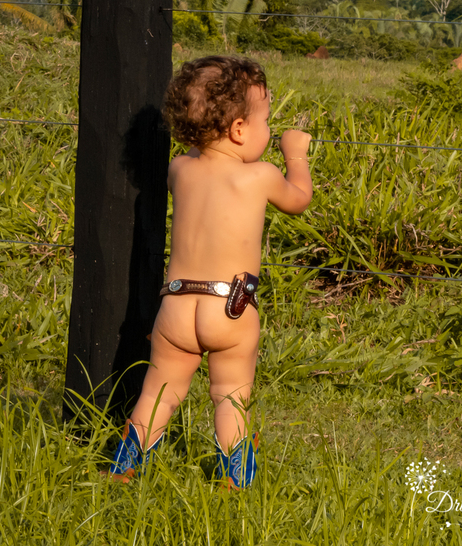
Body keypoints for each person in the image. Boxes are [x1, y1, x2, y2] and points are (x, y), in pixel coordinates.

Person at [108, 55, 313, 489]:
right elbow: (298, 200)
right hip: (231, 307)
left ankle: (124, 468)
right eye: (265, 119)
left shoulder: (179, 170)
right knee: (230, 397)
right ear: (240, 130)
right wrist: (295, 156)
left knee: (157, 394)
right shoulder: (259, 176)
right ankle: (235, 478)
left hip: (176, 305)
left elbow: (202, 151)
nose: (269, 129)